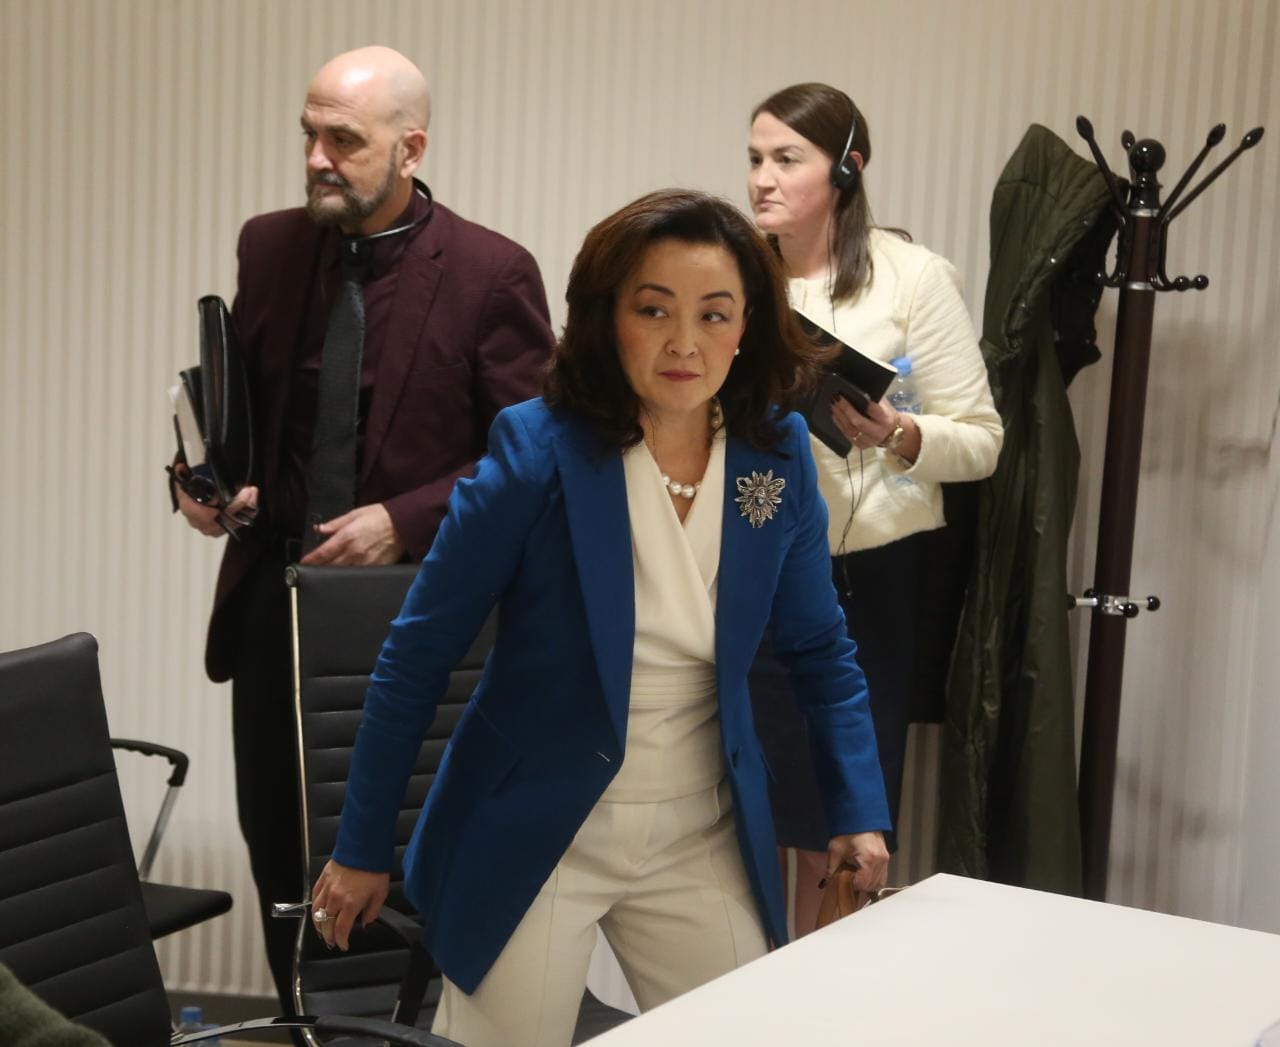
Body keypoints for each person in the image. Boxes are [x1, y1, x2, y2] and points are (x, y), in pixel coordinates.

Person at [308, 189, 891, 1047]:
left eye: (713, 313)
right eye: (653, 310)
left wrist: (858, 808)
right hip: (541, 829)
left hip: (699, 828)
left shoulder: (775, 456)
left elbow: (821, 653)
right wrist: (360, 847)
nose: (684, 342)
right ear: (606, 318)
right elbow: (416, 655)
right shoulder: (535, 449)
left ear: (748, 326)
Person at [170, 46, 554, 1007]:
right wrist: (200, 482)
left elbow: (534, 458)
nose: (317, 158)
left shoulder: (490, 272)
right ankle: (307, 1025)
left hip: (420, 618)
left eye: (343, 140)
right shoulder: (269, 247)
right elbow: (239, 414)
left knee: (403, 859)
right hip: (279, 608)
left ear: (410, 148)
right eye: (309, 135)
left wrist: (404, 518)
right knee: (280, 853)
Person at [746, 83, 1003, 933]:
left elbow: (983, 440)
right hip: (738, 568)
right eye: (755, 158)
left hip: (863, 579)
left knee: (838, 825)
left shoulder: (913, 277)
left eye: (787, 159)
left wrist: (898, 432)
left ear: (847, 170)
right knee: (737, 813)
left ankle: (819, 992)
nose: (762, 179)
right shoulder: (733, 269)